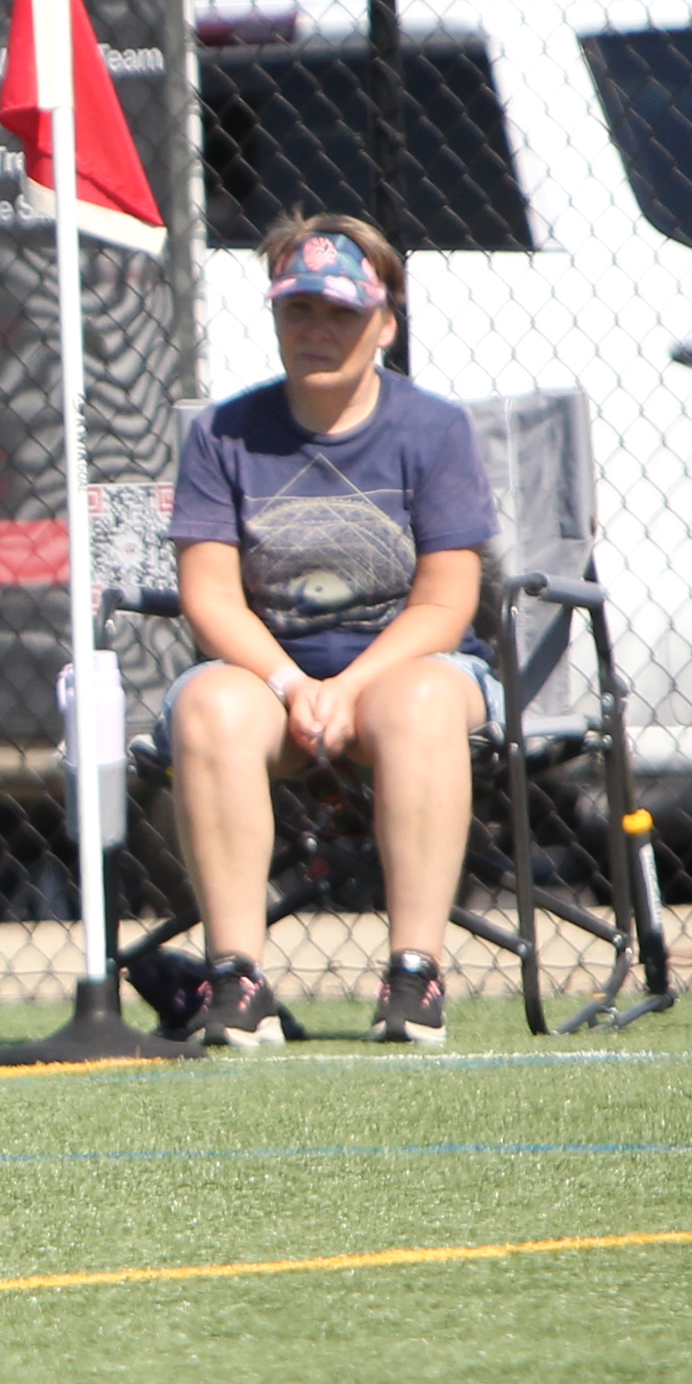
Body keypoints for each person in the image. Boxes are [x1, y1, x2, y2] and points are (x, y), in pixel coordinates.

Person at [160, 215, 501, 1052]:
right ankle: (237, 979)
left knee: (420, 703)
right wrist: (292, 686)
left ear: (385, 323)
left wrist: (349, 689)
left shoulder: (434, 430)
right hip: (269, 684)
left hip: (409, 674)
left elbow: (447, 602)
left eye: (342, 312)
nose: (317, 329)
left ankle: (414, 975)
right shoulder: (220, 434)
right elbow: (211, 598)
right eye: (298, 309)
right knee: (207, 705)